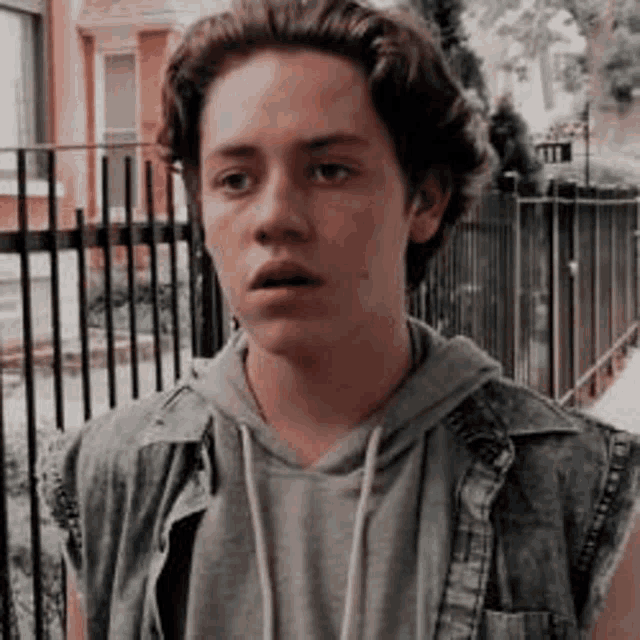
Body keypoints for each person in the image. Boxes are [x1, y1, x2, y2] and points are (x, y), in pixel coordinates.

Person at [40, 0, 640, 637]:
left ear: (426, 201)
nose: (273, 217)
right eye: (235, 179)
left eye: (329, 171)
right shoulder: (110, 482)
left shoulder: (584, 498)